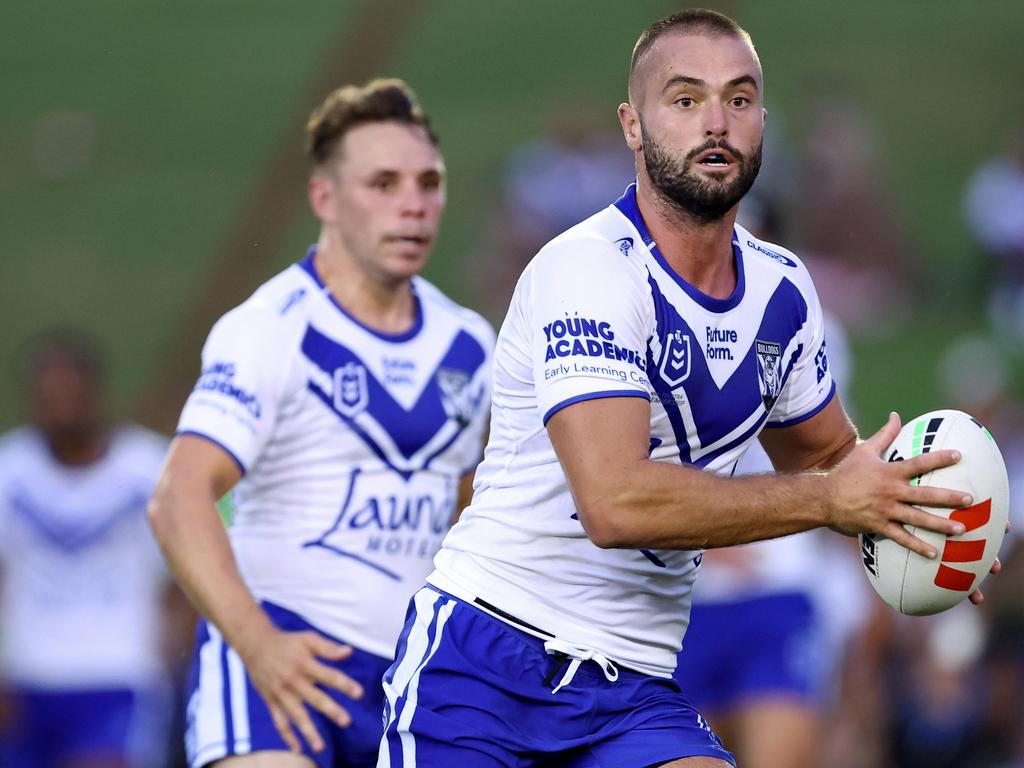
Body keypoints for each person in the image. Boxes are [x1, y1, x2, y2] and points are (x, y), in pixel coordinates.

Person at [379, 10, 991, 768]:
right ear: (633, 126)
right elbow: (616, 502)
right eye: (685, 99)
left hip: (632, 688)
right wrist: (833, 501)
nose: (716, 123)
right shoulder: (589, 269)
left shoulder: (784, 292)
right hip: (484, 665)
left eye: (738, 100)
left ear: (764, 121)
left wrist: (928, 514)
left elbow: (830, 460)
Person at [147, 79, 494, 768]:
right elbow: (177, 498)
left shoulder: (471, 342)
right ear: (324, 199)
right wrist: (257, 643)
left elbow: (471, 503)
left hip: (415, 679)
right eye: (384, 183)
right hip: (280, 658)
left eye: (429, 183)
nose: (414, 205)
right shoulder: (269, 328)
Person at [0, 331, 175, 768]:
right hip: (26, 682)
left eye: (70, 392)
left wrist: (170, 656)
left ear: (95, 392)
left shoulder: (149, 468)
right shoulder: (10, 472)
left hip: (119, 676)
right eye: (48, 395)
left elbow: (184, 578)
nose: (61, 406)